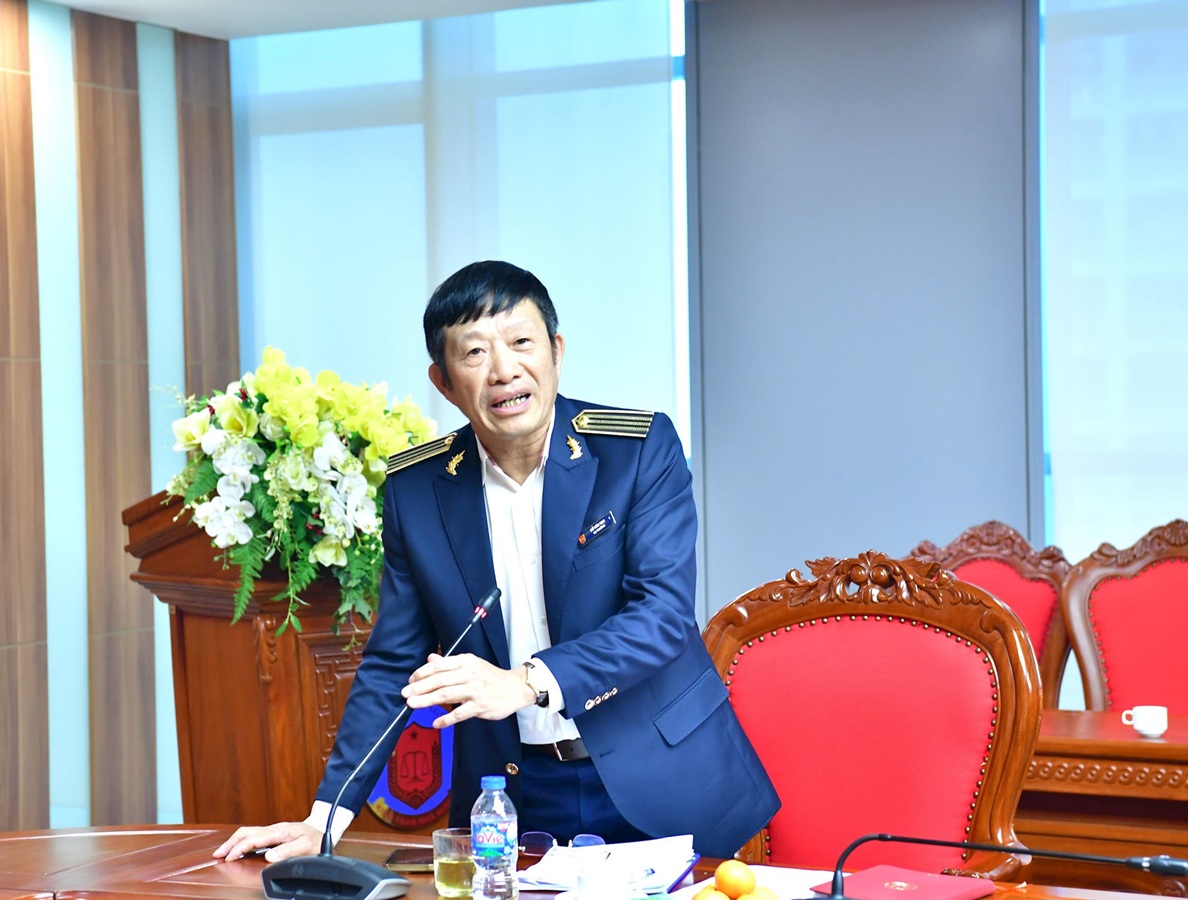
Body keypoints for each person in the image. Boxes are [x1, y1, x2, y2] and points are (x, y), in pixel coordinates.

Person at [214, 260, 779, 863]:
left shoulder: (635, 449)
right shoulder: (417, 490)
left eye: (521, 342)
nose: (504, 370)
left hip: (662, 775)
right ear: (443, 381)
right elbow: (393, 664)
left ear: (556, 351)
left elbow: (661, 616)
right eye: (475, 352)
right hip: (512, 794)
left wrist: (525, 682)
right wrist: (325, 819)